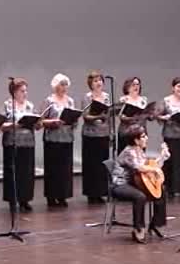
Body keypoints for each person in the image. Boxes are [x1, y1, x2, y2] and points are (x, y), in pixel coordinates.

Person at [111, 125, 170, 243]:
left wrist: (163, 156)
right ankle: (138, 229)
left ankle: (156, 224)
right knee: (140, 196)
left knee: (161, 190)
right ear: (136, 140)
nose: (147, 138)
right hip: (120, 184)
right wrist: (154, 170)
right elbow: (139, 168)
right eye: (143, 137)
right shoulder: (129, 151)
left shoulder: (139, 151)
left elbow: (150, 167)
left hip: (134, 182)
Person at [1, 78, 38, 213]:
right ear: (14, 92)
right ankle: (12, 200)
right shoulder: (7, 105)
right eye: (22, 91)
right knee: (13, 172)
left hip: (28, 142)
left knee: (27, 172)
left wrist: (37, 123)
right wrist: (15, 125)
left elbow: (35, 122)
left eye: (26, 90)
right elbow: (0, 125)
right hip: (12, 143)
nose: (25, 93)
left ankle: (25, 199)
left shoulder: (30, 105)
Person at [40, 73, 77, 208]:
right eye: (62, 84)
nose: (64, 87)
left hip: (67, 138)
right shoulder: (49, 100)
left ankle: (62, 196)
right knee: (53, 169)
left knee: (65, 169)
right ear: (55, 85)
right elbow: (41, 120)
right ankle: (51, 196)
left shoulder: (70, 101)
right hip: (53, 139)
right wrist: (53, 122)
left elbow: (73, 118)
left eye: (66, 85)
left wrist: (74, 120)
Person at [81, 70, 111, 204]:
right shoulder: (87, 97)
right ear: (90, 84)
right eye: (95, 81)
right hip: (90, 135)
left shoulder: (106, 96)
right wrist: (99, 116)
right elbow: (85, 116)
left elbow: (108, 114)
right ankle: (91, 193)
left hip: (103, 134)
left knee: (102, 164)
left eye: (100, 80)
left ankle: (101, 192)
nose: (99, 83)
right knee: (91, 165)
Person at [117, 77, 153, 154]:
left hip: (140, 134)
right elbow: (121, 116)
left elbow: (150, 117)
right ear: (127, 86)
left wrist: (150, 114)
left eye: (137, 84)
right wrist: (132, 118)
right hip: (126, 133)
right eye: (133, 84)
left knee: (140, 156)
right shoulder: (124, 99)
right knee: (125, 156)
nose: (136, 86)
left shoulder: (144, 100)